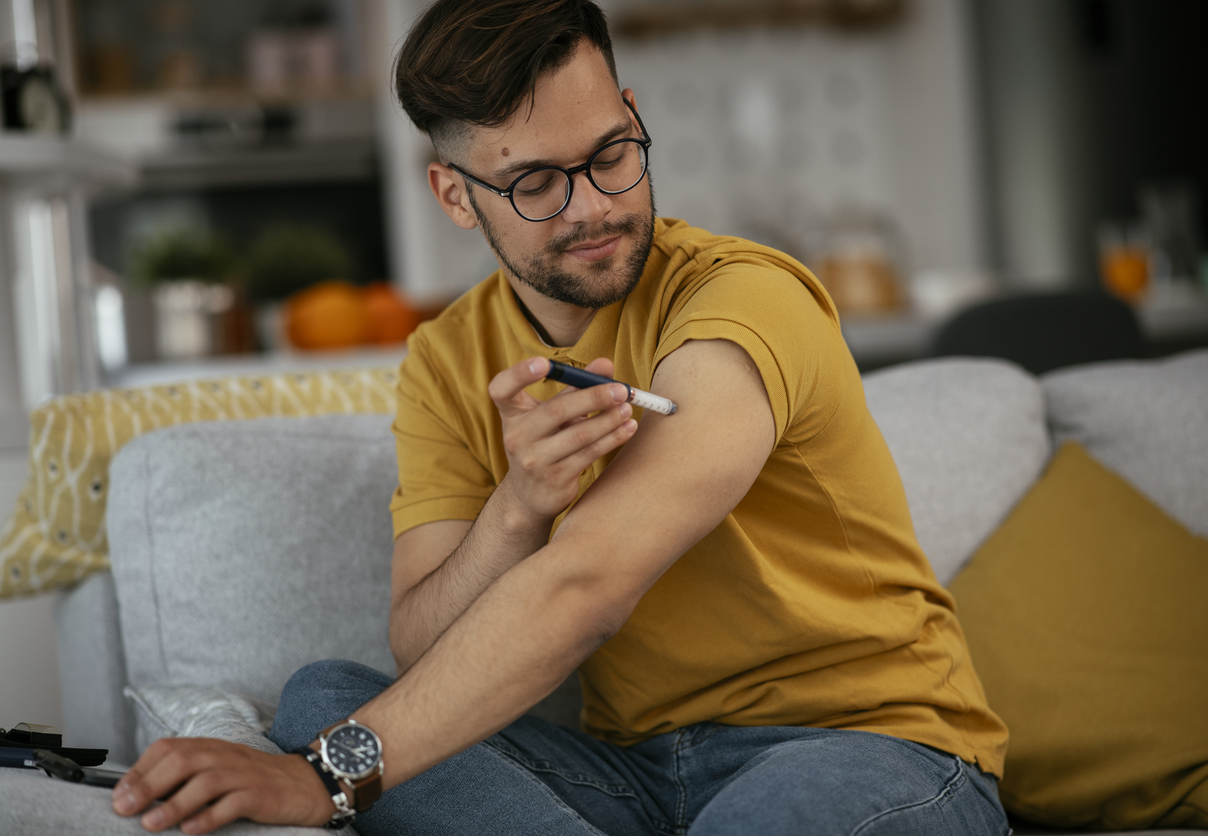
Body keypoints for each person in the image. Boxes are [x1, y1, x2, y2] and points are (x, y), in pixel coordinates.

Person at [110, 1, 1011, 833]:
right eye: (536, 182)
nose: (594, 208)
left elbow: (588, 589)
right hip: (641, 774)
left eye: (611, 153)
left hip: (870, 746)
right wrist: (518, 508)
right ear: (456, 195)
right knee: (322, 698)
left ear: (630, 109)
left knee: (334, 747)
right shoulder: (449, 359)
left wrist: (326, 781)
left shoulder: (742, 298)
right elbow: (419, 646)